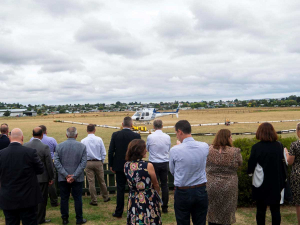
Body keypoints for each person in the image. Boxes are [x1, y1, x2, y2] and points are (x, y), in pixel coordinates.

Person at [0, 128, 44, 225]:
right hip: (28, 197)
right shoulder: (30, 152)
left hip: (8, 197)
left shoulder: (1, 154)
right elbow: (40, 169)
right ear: (22, 138)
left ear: (9, 138)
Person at [169, 120, 209, 225]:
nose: (176, 135)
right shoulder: (204, 146)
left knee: (182, 221)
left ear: (180, 131)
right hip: (200, 189)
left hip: (183, 191)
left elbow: (172, 171)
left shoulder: (175, 150)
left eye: (176, 133)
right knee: (200, 221)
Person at [247, 122, 286, 225]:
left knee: (260, 209)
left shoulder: (256, 147)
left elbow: (251, 165)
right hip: (276, 182)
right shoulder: (279, 145)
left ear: (259, 132)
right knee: (275, 210)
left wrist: (249, 174)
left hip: (261, 182)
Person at [206, 129, 243, 225]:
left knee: (212, 211)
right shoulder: (235, 152)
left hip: (211, 185)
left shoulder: (208, 150)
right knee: (227, 212)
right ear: (227, 138)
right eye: (231, 136)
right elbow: (240, 163)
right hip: (229, 186)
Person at [108, 116, 141, 218]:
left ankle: (119, 212)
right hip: (133, 166)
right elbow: (139, 152)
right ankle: (135, 211)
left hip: (119, 166)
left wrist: (111, 164)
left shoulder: (116, 134)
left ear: (122, 124)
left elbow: (111, 151)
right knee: (135, 189)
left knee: (120, 189)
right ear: (132, 125)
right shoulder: (136, 135)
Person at [54, 127, 87, 225]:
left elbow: (56, 162)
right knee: (77, 198)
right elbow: (83, 163)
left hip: (63, 178)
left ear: (66, 135)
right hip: (78, 178)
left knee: (64, 198)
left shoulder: (59, 146)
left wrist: (65, 175)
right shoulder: (82, 146)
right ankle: (79, 219)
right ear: (76, 135)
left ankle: (65, 219)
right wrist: (74, 176)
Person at [124, 139, 162, 224]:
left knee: (136, 219)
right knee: (149, 218)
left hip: (133, 198)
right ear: (139, 150)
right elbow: (155, 183)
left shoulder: (126, 165)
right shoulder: (148, 165)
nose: (146, 150)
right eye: (144, 148)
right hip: (148, 197)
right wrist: (156, 194)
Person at [24, 127, 54, 224]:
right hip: (42, 177)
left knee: (29, 198)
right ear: (42, 135)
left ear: (32, 135)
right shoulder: (44, 147)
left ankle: (29, 217)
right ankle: (40, 218)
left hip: (28, 177)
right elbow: (49, 164)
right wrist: (51, 177)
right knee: (42, 199)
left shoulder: (25, 146)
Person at [81, 124, 110, 206]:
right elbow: (103, 152)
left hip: (88, 162)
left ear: (87, 130)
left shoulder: (83, 141)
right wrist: (101, 161)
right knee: (102, 181)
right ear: (94, 130)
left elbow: (82, 153)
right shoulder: (99, 139)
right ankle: (105, 197)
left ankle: (94, 200)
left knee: (91, 182)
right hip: (98, 162)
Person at [30, 125, 59, 207]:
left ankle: (36, 200)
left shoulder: (31, 140)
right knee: (51, 184)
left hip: (34, 164)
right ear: (45, 132)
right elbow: (57, 150)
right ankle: (53, 201)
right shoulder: (51, 139)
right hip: (48, 162)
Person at [146, 119, 171, 213]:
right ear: (162, 126)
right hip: (164, 162)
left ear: (153, 126)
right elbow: (168, 149)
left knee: (153, 185)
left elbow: (147, 149)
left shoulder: (150, 137)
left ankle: (154, 204)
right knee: (165, 185)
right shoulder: (167, 137)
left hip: (153, 163)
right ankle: (165, 206)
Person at [285, 122, 300, 225]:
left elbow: (290, 162)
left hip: (297, 175)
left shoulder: (295, 145)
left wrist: (286, 152)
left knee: (299, 203)